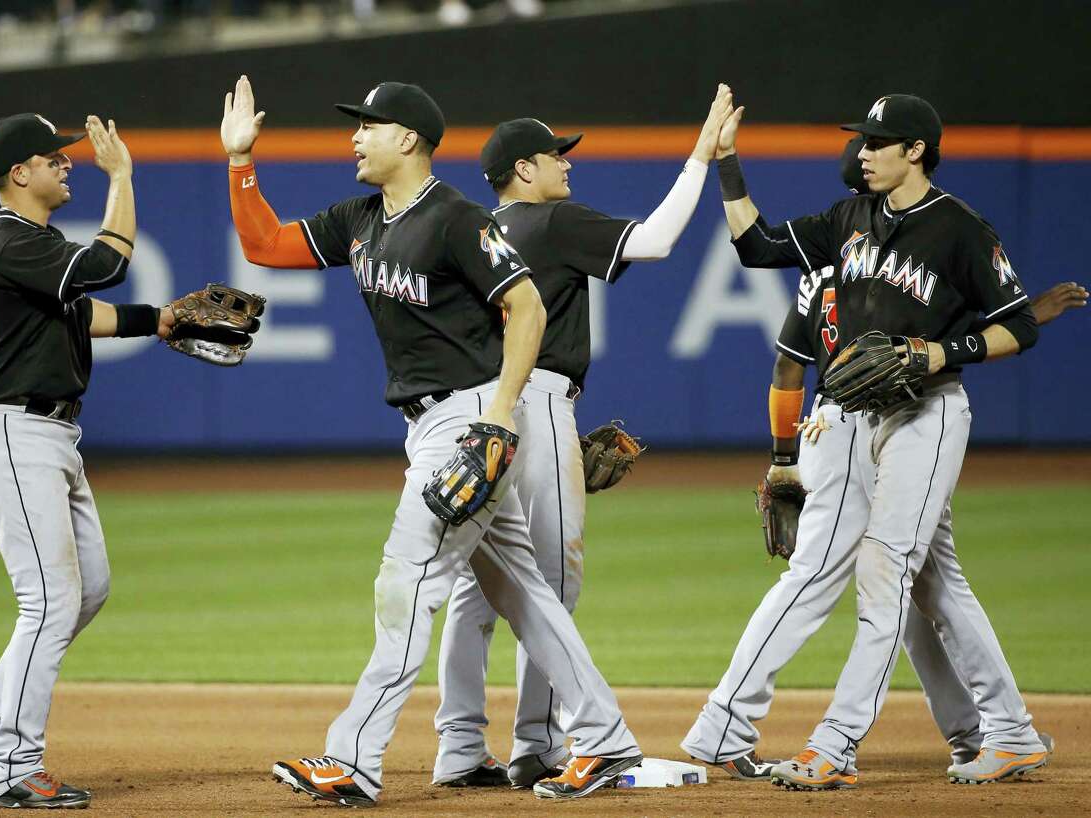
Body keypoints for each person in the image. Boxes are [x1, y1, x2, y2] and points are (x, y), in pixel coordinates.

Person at [221, 75, 641, 806]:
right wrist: (239, 162)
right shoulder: (362, 216)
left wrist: (501, 415)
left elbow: (528, 307)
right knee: (523, 592)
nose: (354, 137)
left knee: (406, 578)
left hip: (470, 416)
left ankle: (352, 757)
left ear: (408, 138)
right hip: (428, 426)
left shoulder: (454, 218)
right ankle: (605, 740)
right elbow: (264, 244)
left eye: (368, 126)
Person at [682, 135, 1082, 783]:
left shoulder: (958, 227)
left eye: (877, 143)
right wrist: (726, 159)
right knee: (922, 579)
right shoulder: (846, 224)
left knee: (886, 569)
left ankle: (834, 746)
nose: (863, 153)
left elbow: (1016, 325)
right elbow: (756, 248)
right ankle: (1005, 731)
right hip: (841, 417)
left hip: (926, 411)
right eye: (860, 145)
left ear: (917, 150)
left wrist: (940, 353)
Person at [431, 86, 733, 789]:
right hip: (534, 400)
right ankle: (550, 743)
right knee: (552, 581)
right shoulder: (553, 222)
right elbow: (655, 241)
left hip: (476, 410)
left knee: (481, 590)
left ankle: (459, 748)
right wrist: (699, 156)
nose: (567, 165)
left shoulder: (473, 233)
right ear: (523, 171)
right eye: (554, 156)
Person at [0, 112, 176, 808]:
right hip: (15, 432)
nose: (67, 163)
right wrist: (123, 177)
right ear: (20, 173)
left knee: (88, 586)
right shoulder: (9, 239)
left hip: (45, 438)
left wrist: (158, 320)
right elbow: (106, 264)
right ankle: (13, 768)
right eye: (54, 157)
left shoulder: (30, 245)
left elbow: (85, 313)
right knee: (46, 601)